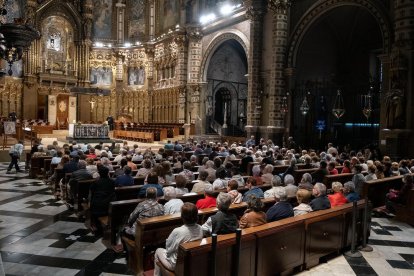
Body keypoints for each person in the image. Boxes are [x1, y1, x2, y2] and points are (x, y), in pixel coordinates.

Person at [153, 203, 203, 276]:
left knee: (158, 251)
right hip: (192, 262)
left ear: (182, 217)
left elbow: (168, 248)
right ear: (196, 216)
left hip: (177, 265)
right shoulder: (200, 228)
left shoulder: (177, 231)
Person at [89, 165, 116, 235]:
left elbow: (92, 193)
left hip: (98, 205)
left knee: (93, 203)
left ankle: (96, 226)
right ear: (107, 173)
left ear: (99, 173)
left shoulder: (95, 182)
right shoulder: (112, 181)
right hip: (109, 204)